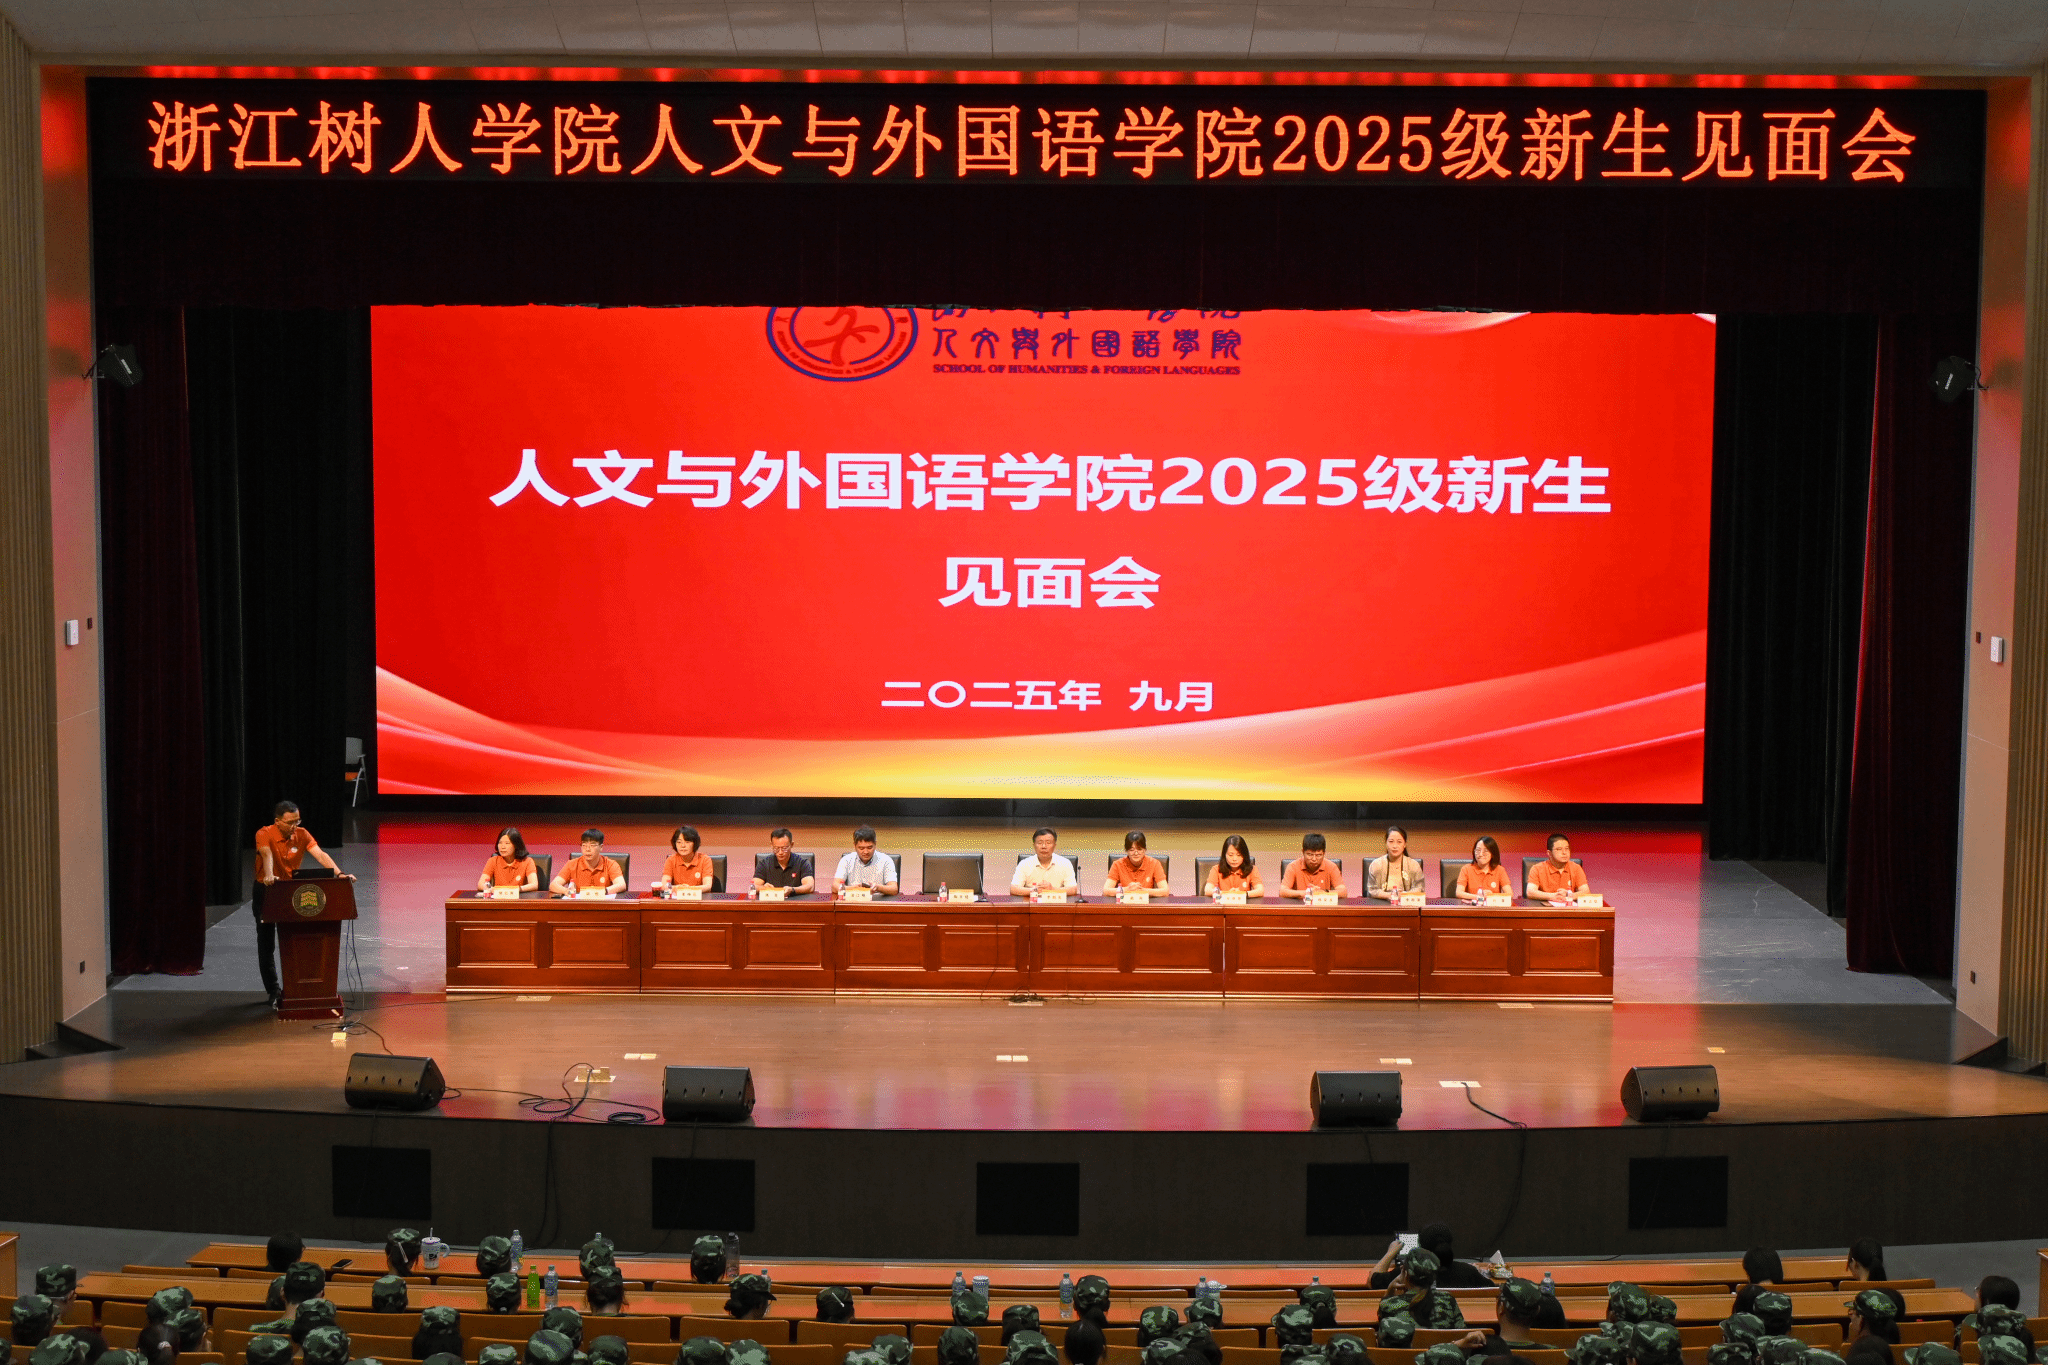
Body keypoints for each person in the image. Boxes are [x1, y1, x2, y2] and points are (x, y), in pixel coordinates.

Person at [254, 800, 353, 1007]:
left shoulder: (302, 834)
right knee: (266, 943)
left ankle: (298, 986)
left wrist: (340, 874)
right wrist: (270, 875)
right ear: (278, 821)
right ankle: (273, 990)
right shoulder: (264, 833)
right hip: (267, 890)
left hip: (290, 890)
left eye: (297, 821)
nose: (294, 826)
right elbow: (266, 854)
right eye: (290, 822)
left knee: (293, 937)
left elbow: (320, 854)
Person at [1370, 1225, 1494, 1289]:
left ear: (1422, 1249)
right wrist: (1477, 1273)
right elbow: (1493, 1290)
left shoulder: (1407, 1273)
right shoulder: (1468, 1272)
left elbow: (1371, 1281)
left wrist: (1391, 1252)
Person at [1456, 1279, 1545, 1357]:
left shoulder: (1474, 1352)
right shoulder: (1550, 1351)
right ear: (1537, 1311)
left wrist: (1457, 1345)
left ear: (1501, 1308)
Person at [1378, 1248, 1464, 1329]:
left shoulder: (1389, 1305)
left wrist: (1389, 1291)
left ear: (1405, 1273)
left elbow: (1382, 1324)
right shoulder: (1448, 1300)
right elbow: (1461, 1332)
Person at [553, 829, 626, 897]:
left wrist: (603, 891)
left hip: (602, 904)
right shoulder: (572, 864)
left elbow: (621, 885)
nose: (587, 849)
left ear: (601, 847)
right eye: (584, 845)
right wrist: (566, 891)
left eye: (592, 845)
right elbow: (553, 885)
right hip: (579, 904)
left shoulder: (610, 864)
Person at [834, 826, 899, 896]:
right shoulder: (846, 860)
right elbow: (834, 886)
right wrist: (852, 888)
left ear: (875, 844)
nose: (866, 852)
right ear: (855, 846)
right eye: (861, 848)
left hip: (877, 900)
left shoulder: (886, 860)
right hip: (854, 899)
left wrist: (878, 888)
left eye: (869, 847)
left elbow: (894, 889)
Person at [1012, 828, 1077, 897]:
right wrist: (1035, 890)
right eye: (1040, 843)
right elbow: (1013, 889)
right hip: (1032, 902)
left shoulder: (1065, 863)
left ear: (1054, 846)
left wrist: (1052, 889)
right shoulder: (1024, 864)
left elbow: (1073, 889)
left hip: (1056, 903)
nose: (1044, 846)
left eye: (1048, 843)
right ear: (1034, 845)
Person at [1527, 833, 1590, 905]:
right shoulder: (1537, 869)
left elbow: (1586, 892)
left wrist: (1568, 895)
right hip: (1545, 909)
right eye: (1559, 849)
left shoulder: (1576, 868)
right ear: (1549, 853)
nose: (1564, 852)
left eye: (1567, 848)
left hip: (1569, 909)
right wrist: (1553, 896)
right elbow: (1530, 892)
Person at [1281, 833, 1346, 899]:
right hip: (1300, 904)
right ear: (1303, 852)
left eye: (1318, 855)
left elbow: (1343, 892)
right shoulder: (1293, 866)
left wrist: (1321, 893)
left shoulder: (1331, 867)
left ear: (1324, 853)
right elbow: (1282, 891)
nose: (1314, 859)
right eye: (1310, 855)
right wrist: (1306, 893)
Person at [1367, 826, 1424, 901]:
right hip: (1382, 905)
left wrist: (1403, 896)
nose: (1395, 846)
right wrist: (1390, 895)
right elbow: (1371, 891)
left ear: (1405, 844)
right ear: (1386, 843)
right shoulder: (1376, 865)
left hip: (1407, 906)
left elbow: (1420, 889)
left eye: (1399, 842)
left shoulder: (1413, 865)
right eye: (1391, 841)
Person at [1104, 832, 1170, 895]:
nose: (1136, 853)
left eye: (1139, 849)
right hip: (1124, 902)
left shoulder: (1154, 863)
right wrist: (1127, 889)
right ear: (1126, 850)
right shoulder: (1117, 864)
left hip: (1147, 902)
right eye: (1132, 850)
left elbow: (1165, 891)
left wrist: (1142, 890)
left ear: (1145, 850)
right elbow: (1106, 890)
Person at [754, 828, 816, 895]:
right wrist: (763, 888)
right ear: (771, 845)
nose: (780, 852)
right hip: (772, 900)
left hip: (795, 900)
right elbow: (754, 886)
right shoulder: (764, 863)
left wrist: (792, 890)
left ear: (791, 845)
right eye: (776, 848)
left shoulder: (802, 863)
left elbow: (810, 886)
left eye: (784, 848)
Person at [477, 830, 539, 894]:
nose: (502, 847)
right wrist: (495, 890)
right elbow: (480, 884)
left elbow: (534, 885)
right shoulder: (493, 861)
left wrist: (515, 889)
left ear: (516, 845)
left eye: (507, 843)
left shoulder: (527, 861)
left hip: (519, 898)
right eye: (500, 843)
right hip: (499, 898)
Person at [1457, 837, 1516, 902]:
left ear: (1492, 854)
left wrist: (1491, 896)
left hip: (1493, 907)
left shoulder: (1500, 870)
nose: (1481, 854)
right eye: (1478, 850)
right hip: (1473, 906)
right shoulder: (1466, 869)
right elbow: (1459, 893)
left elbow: (1510, 894)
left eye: (1485, 851)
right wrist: (1479, 897)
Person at [662, 826, 716, 894]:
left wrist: (688, 889)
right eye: (679, 842)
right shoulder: (671, 860)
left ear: (695, 843)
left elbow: (707, 886)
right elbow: (664, 886)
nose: (683, 846)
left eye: (687, 842)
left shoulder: (705, 860)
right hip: (678, 899)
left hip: (699, 899)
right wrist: (679, 888)